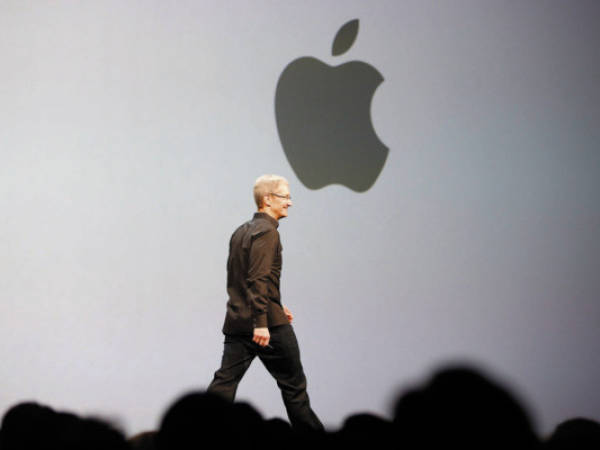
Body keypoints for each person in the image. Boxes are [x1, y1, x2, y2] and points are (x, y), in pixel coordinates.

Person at [207, 174, 323, 432]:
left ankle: (192, 436)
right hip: (266, 326)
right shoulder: (267, 232)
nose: (290, 203)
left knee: (224, 384)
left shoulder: (241, 231)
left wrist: (276, 305)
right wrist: (263, 321)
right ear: (267, 200)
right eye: (285, 196)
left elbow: (242, 280)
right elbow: (257, 278)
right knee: (294, 389)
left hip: (239, 321)